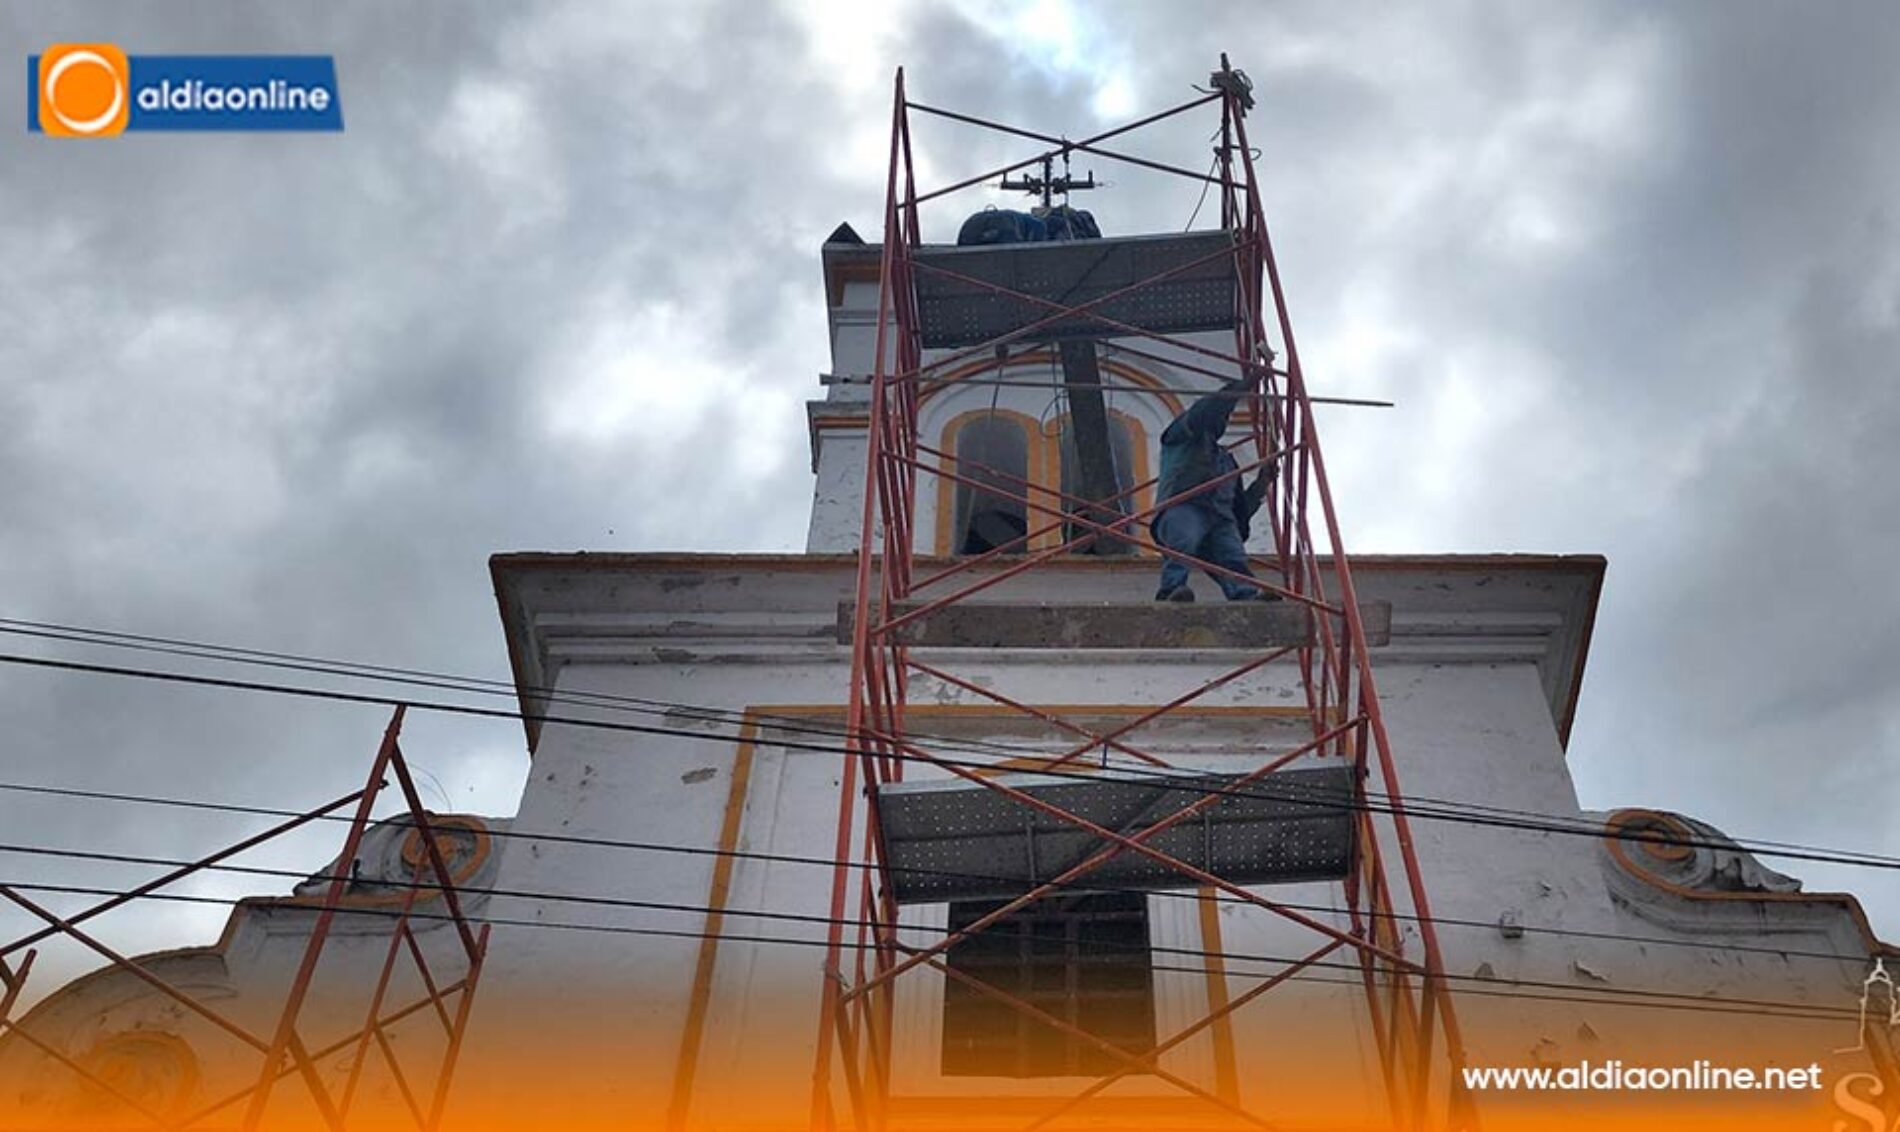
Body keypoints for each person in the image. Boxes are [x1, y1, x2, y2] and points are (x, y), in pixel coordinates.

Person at [1152, 377, 1277, 602]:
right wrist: (1233, 391)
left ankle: (1245, 597)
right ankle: (1171, 590)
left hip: (1220, 517)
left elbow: (1239, 509)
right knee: (1183, 543)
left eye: (1224, 418)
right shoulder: (1181, 437)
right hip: (1186, 504)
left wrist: (1261, 484)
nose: (1220, 421)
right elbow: (1202, 413)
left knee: (1233, 556)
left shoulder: (1227, 461)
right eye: (1219, 415)